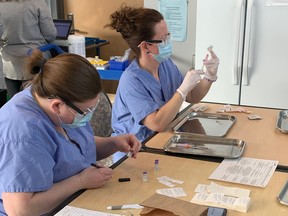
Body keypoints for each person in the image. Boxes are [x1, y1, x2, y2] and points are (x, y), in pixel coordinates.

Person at [0, 50, 142, 215]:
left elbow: (71, 148)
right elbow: (21, 210)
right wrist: (80, 181)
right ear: (57, 105)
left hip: (76, 201)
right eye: (85, 111)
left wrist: (114, 143)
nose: (88, 116)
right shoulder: (24, 134)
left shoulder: (50, 96)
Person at [106, 5, 220, 142]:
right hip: (134, 149)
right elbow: (156, 124)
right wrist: (181, 91)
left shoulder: (166, 65)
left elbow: (191, 96)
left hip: (162, 138)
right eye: (163, 39)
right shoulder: (131, 80)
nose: (168, 42)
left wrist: (209, 76)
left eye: (168, 36)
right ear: (145, 46)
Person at [0, 0, 57, 98]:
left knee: (16, 103)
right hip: (35, 60)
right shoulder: (37, 3)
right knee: (37, 102)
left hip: (10, 64)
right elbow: (50, 34)